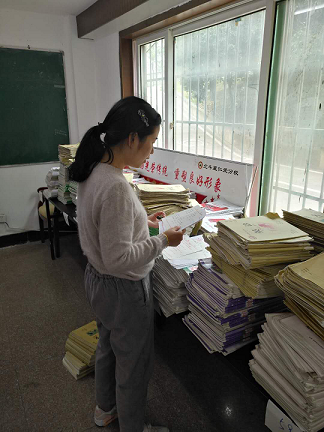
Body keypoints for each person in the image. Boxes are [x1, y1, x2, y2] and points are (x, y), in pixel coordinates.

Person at [69, 96, 185, 432]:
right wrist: (164, 240)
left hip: (98, 282)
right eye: (151, 142)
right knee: (134, 364)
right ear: (133, 139)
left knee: (108, 347)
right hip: (123, 290)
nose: (152, 151)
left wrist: (143, 221)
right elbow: (119, 259)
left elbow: (105, 226)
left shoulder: (95, 170)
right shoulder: (117, 187)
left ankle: (105, 410)